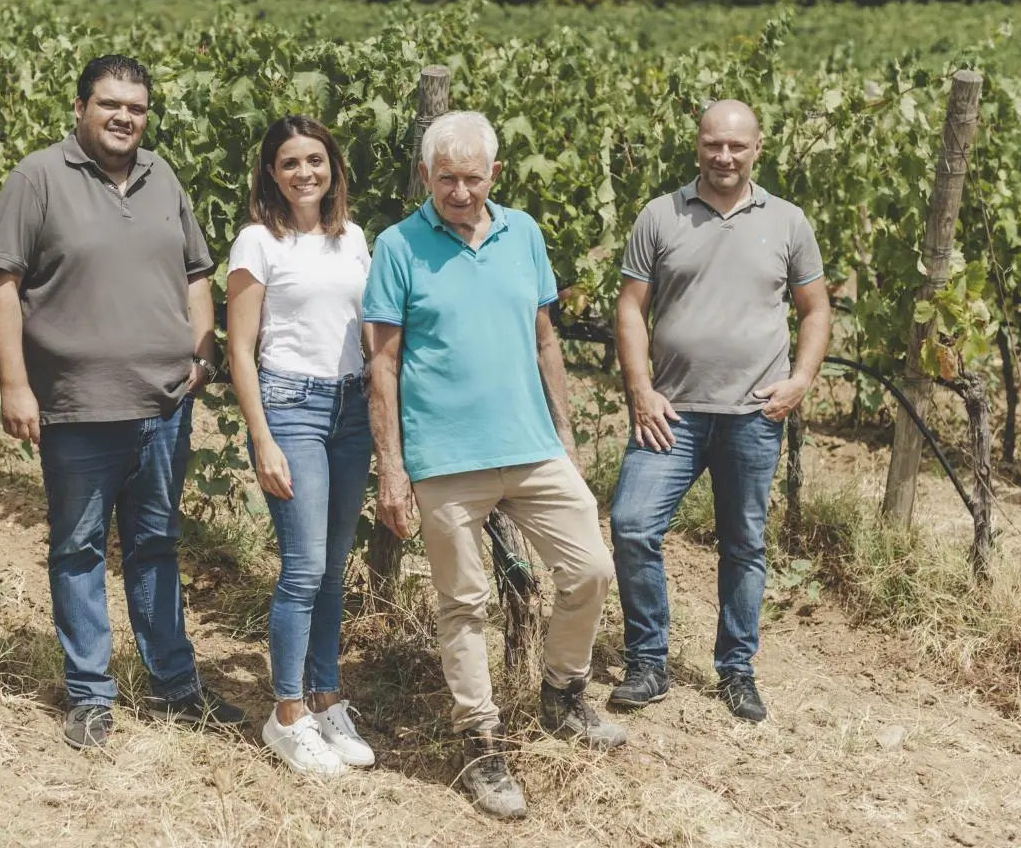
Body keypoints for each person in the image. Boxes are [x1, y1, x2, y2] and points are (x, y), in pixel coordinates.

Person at [363, 110, 625, 820]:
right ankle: (482, 741)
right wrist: (392, 466)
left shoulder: (525, 233)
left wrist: (566, 435)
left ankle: (564, 694)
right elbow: (381, 363)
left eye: (472, 178)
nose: (459, 190)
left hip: (532, 444)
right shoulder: (397, 246)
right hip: (445, 457)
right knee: (465, 602)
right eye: (445, 177)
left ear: (494, 177)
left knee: (592, 568)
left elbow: (545, 339)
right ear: (425, 175)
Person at [0, 54, 245, 752]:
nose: (125, 116)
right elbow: (1, 284)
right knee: (79, 547)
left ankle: (175, 685)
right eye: (110, 104)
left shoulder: (164, 176)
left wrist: (201, 350)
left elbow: (196, 271)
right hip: (77, 405)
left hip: (164, 405)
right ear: (80, 108)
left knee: (157, 544)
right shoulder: (37, 177)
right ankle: (92, 694)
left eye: (136, 106)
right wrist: (13, 384)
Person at [607, 99, 831, 724]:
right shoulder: (660, 215)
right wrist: (640, 390)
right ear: (698, 145)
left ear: (758, 148)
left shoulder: (788, 222)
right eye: (714, 145)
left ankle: (737, 669)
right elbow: (630, 308)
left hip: (754, 415)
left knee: (744, 543)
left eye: (737, 146)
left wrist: (802, 379)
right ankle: (648, 661)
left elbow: (816, 310)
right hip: (670, 415)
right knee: (631, 524)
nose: (724, 157)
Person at [226, 116, 374, 776]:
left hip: (350, 409)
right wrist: (262, 437)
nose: (305, 172)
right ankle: (285, 712)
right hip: (292, 407)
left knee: (334, 568)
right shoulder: (259, 241)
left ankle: (325, 693)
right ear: (271, 173)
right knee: (303, 567)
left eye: (315, 159)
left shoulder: (354, 238)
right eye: (290, 162)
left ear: (333, 167)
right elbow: (240, 347)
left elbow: (367, 330)